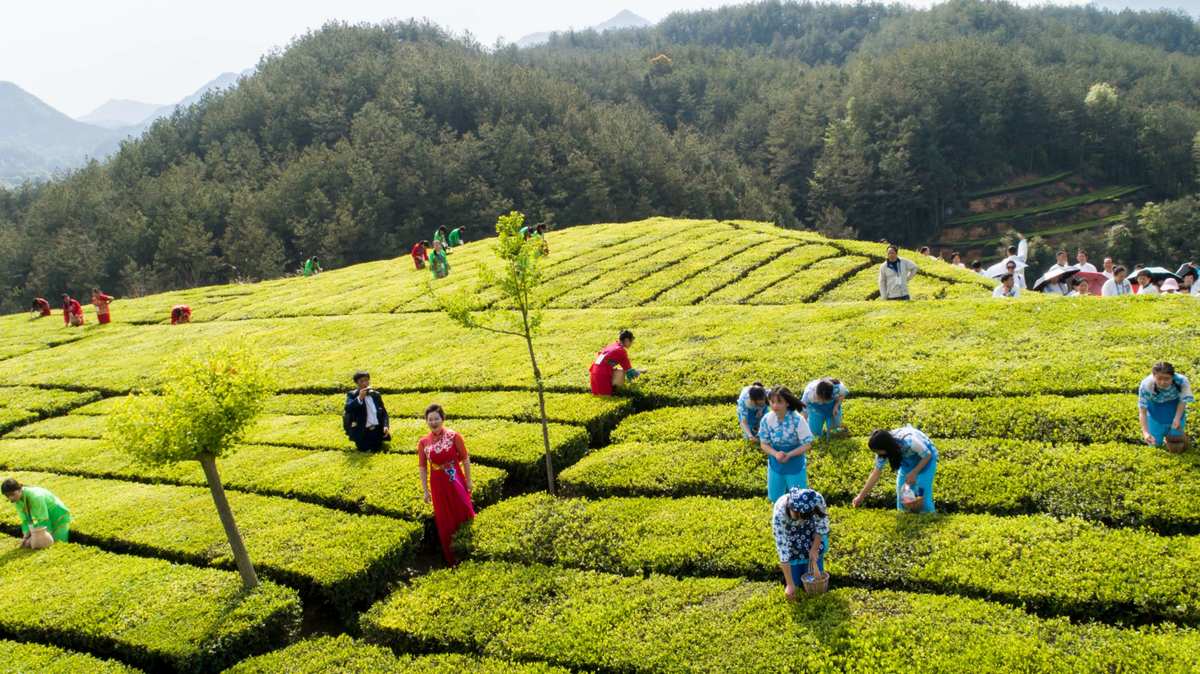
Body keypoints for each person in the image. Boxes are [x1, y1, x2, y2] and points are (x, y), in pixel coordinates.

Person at [418, 404, 475, 564]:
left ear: (442, 419)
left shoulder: (454, 436)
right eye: (430, 419)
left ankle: (470, 549)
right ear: (426, 421)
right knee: (444, 519)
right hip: (437, 484)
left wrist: (469, 481)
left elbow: (465, 458)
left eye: (436, 418)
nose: (433, 422)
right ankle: (452, 558)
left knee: (463, 510)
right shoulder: (423, 442)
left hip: (455, 479)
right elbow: (422, 467)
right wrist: (425, 490)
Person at [852, 426, 938, 513]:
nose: (877, 454)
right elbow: (876, 474)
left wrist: (914, 472)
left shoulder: (910, 441)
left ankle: (928, 514)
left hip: (926, 460)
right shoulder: (883, 452)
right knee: (902, 493)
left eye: (878, 451)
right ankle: (904, 515)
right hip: (907, 462)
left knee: (922, 490)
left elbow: (928, 455)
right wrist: (860, 496)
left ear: (886, 446)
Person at [772, 487, 829, 602]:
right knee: (796, 584)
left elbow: (821, 527)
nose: (800, 521)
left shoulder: (816, 500)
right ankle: (794, 582)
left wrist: (814, 549)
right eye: (797, 516)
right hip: (791, 538)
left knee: (815, 583)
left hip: (810, 534)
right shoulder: (780, 513)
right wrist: (789, 584)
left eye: (804, 518)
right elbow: (782, 549)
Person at [759, 386, 814, 502]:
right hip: (775, 462)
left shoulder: (798, 420)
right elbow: (763, 443)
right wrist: (775, 454)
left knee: (799, 499)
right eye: (772, 402)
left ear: (787, 403)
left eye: (779, 402)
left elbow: (807, 444)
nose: (774, 406)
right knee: (775, 498)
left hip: (795, 462)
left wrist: (789, 455)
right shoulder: (766, 419)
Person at [1138, 362, 1193, 447]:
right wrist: (1145, 432)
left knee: (1176, 444)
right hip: (1155, 413)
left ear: (1173, 376)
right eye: (1159, 379)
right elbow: (1142, 411)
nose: (1163, 382)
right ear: (1153, 376)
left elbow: (1182, 401)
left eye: (1167, 379)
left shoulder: (1182, 381)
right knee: (1154, 444)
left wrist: (1177, 418)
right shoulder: (1146, 385)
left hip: (1174, 410)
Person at [3, 478, 70, 547]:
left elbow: (43, 519)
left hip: (58, 516)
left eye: (12, 494)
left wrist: (44, 536)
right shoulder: (16, 500)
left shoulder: (36, 497)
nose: (10, 498)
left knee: (58, 543)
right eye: (7, 496)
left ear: (19, 489)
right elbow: (25, 520)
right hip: (44, 517)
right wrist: (26, 537)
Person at [343, 371, 391, 452]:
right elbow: (348, 408)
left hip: (377, 431)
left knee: (378, 451)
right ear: (357, 383)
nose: (365, 383)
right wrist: (360, 398)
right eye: (361, 381)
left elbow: (383, 413)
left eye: (366, 380)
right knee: (364, 451)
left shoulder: (375, 395)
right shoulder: (352, 394)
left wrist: (385, 426)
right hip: (362, 433)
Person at [589, 330, 640, 396]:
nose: (631, 344)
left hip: (594, 372)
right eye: (631, 341)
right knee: (606, 398)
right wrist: (639, 373)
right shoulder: (621, 351)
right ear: (627, 340)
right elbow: (629, 371)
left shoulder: (612, 346)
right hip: (602, 374)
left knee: (597, 397)